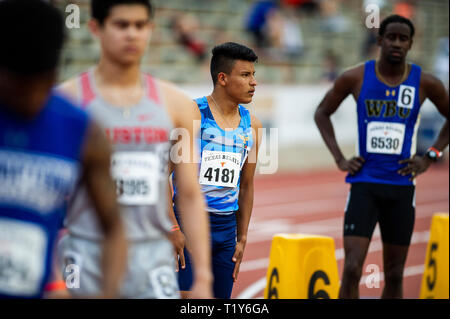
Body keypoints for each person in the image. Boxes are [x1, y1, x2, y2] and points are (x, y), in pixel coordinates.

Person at [57, 0, 213, 299]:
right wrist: (53, 279)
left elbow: (190, 193)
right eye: (121, 25)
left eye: (140, 25)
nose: (132, 34)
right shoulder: (67, 101)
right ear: (96, 29)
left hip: (151, 257)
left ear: (151, 30)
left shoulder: (177, 105)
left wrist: (203, 277)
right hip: (86, 254)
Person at [314, 14, 449, 299]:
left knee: (395, 273)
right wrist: (339, 158)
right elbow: (322, 112)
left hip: (401, 187)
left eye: (403, 38)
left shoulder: (424, 82)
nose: (396, 43)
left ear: (411, 43)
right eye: (391, 37)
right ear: (379, 40)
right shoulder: (355, 77)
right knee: (351, 268)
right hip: (364, 185)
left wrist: (431, 156)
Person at [0, 0, 127, 299]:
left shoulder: (82, 130)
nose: (31, 98)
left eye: (40, 83)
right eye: (19, 84)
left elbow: (117, 228)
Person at [168, 42, 262, 299]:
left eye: (253, 75)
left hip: (226, 230)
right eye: (245, 75)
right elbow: (160, 174)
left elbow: (247, 184)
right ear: (222, 78)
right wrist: (173, 227)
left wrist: (241, 237)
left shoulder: (253, 125)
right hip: (189, 222)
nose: (253, 82)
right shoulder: (191, 114)